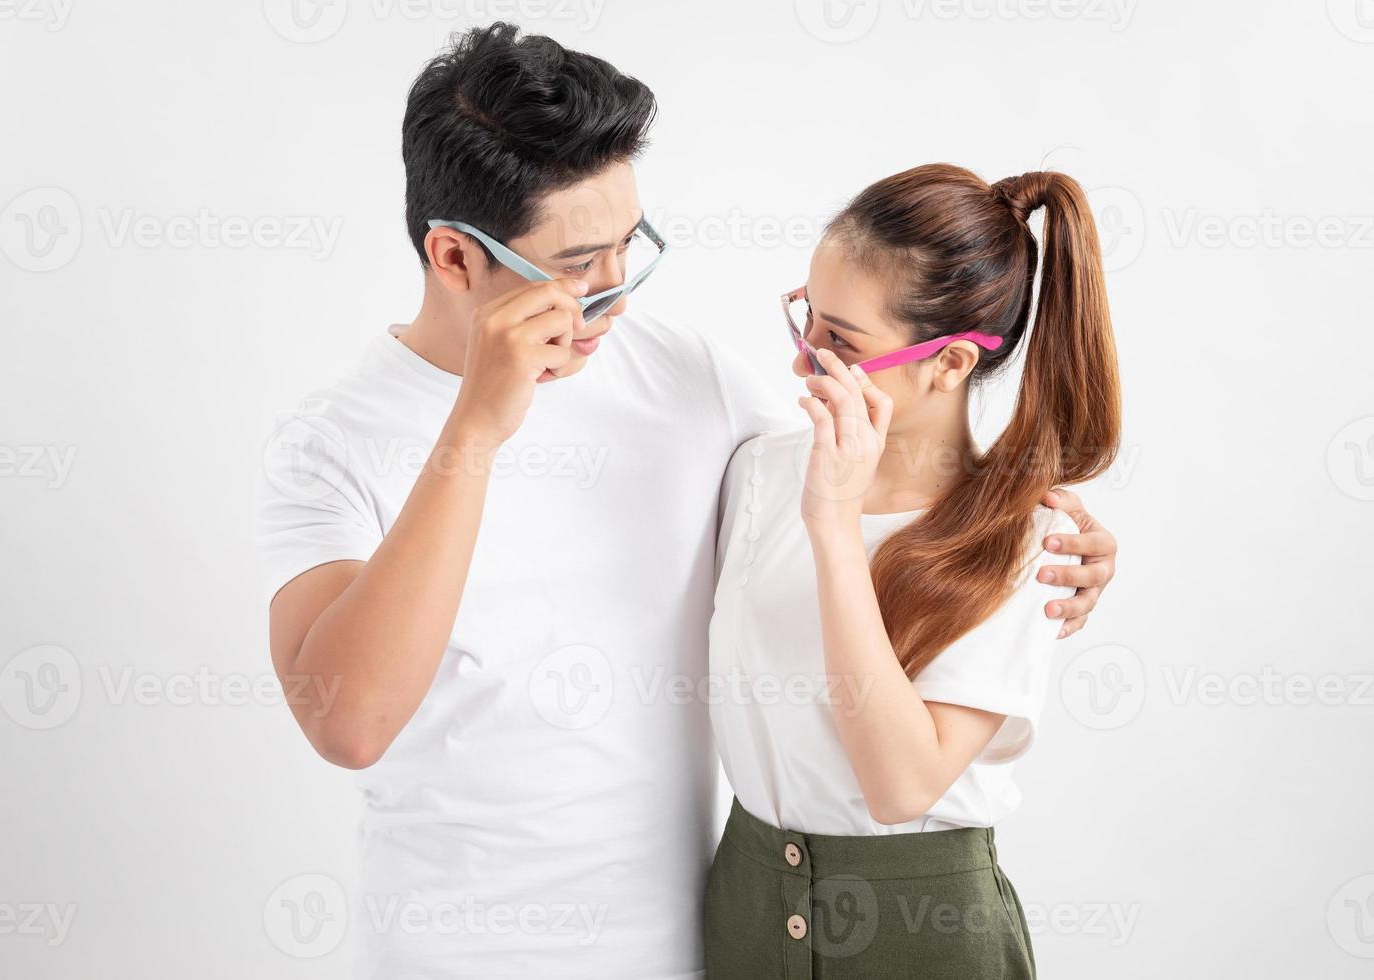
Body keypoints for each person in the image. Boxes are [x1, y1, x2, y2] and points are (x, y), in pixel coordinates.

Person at [255, 24, 1119, 978]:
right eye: (578, 263)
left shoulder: (684, 377)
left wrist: (1049, 534)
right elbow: (350, 722)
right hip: (460, 951)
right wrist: (474, 432)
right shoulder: (332, 443)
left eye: (628, 244)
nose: (615, 292)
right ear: (455, 259)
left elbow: (880, 475)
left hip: (702, 944)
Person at [705, 164, 1120, 978]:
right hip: (745, 906)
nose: (803, 363)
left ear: (951, 363)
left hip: (919, 932)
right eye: (805, 320)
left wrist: (832, 523)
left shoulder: (1026, 544)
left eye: (841, 341)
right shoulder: (756, 472)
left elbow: (900, 786)